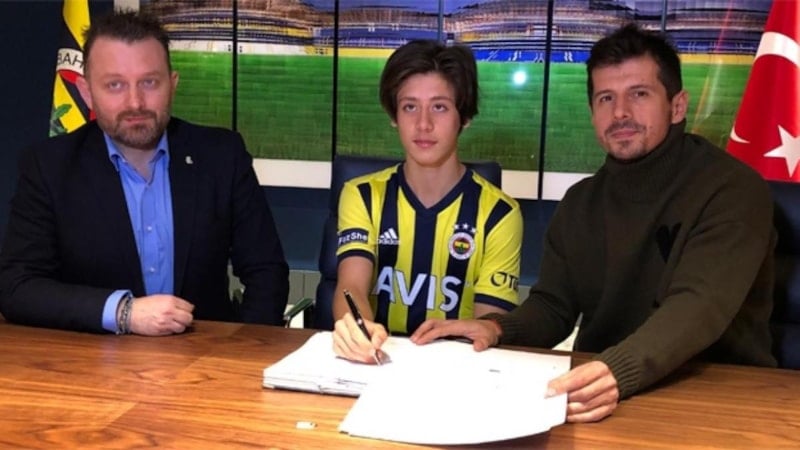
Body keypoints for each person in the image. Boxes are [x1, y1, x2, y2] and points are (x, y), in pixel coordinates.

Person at [410, 23, 777, 422]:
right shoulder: (581, 202)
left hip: (719, 396)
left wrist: (616, 370)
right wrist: (498, 329)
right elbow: (554, 307)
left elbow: (696, 307)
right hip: (604, 392)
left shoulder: (732, 189)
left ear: (677, 106)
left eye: (639, 94)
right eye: (606, 98)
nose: (620, 113)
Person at [0, 11, 289, 335]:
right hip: (91, 357)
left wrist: (244, 350)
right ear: (86, 92)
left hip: (205, 355)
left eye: (149, 82)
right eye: (115, 85)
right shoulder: (49, 166)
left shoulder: (222, 155)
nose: (135, 102)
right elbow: (16, 286)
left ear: (172, 84)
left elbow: (267, 273)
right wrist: (122, 312)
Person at [331, 40, 523, 361]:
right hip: (376, 363)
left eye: (439, 107)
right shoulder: (361, 195)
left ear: (464, 117)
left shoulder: (500, 214)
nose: (423, 124)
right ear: (394, 115)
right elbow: (350, 286)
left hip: (458, 369)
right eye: (410, 107)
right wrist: (356, 329)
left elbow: (488, 324)